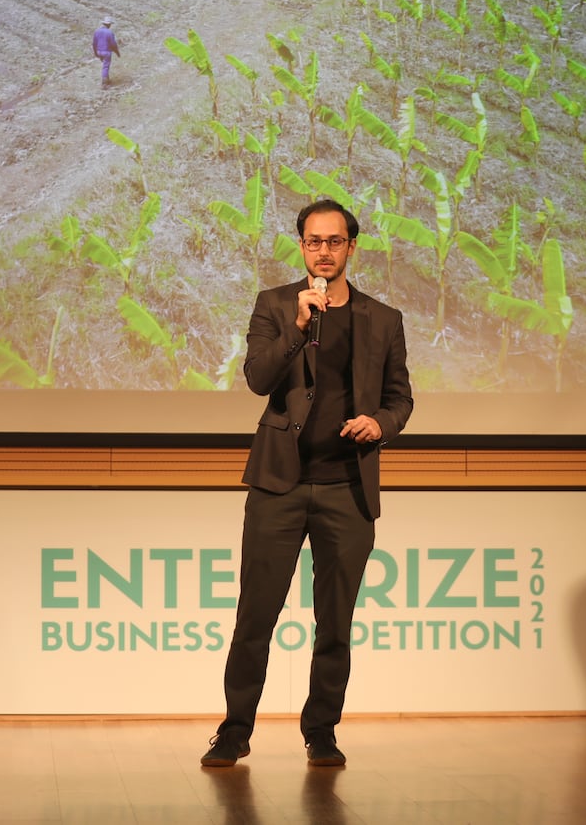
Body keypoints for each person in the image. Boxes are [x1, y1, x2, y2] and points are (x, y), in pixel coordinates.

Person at [201, 198, 413, 768]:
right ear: (302, 246)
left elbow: (400, 398)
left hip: (348, 485)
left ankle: (321, 730)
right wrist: (299, 326)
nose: (324, 251)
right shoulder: (275, 305)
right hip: (279, 484)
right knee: (256, 617)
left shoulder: (383, 319)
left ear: (351, 247)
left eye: (335, 241)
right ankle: (235, 730)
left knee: (335, 622)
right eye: (314, 242)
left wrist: (381, 424)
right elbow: (258, 378)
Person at [92, 16, 120, 88]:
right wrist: (117, 52)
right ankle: (104, 83)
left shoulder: (97, 31)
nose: (110, 25)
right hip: (106, 52)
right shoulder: (109, 32)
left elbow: (94, 43)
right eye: (110, 24)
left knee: (104, 65)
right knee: (106, 66)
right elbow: (113, 44)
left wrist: (95, 53)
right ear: (108, 24)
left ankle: (107, 79)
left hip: (99, 51)